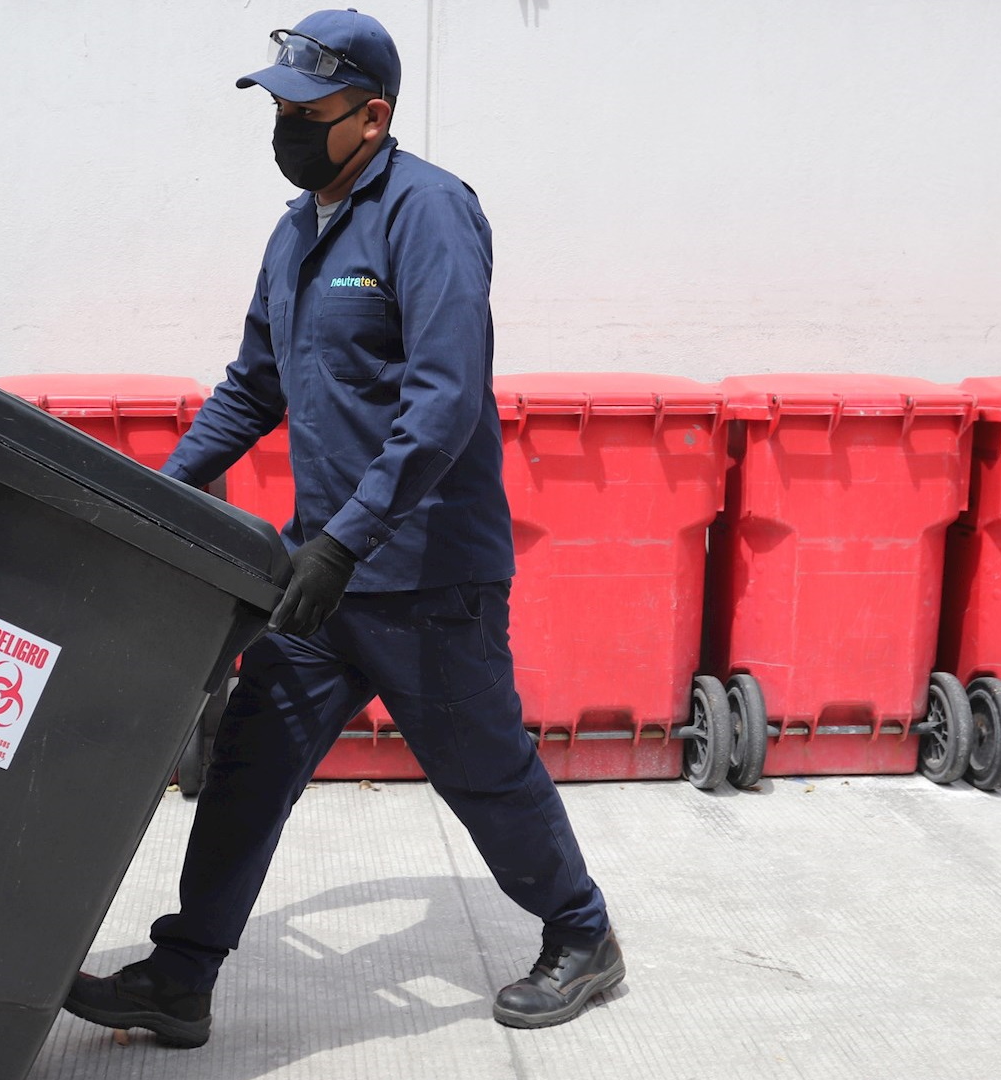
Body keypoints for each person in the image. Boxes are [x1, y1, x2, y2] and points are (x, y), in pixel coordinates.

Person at [64, 8, 622, 1049]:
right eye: (274, 104)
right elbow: (249, 390)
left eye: (303, 108)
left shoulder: (429, 213)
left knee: (482, 770)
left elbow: (445, 401)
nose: (281, 125)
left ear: (372, 115)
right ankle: (184, 976)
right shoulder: (295, 232)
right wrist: (162, 492)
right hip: (322, 570)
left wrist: (348, 537)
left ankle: (582, 933)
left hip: (423, 572)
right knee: (249, 759)